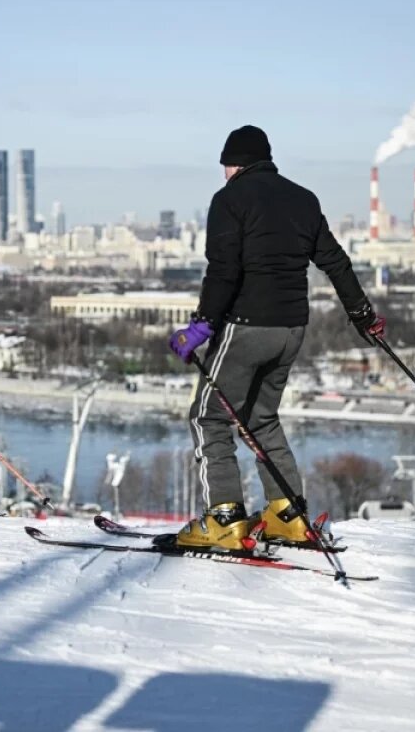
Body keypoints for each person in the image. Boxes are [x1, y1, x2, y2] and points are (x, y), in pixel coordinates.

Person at [168, 125, 385, 551]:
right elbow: (335, 262)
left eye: (225, 166)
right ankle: (288, 515)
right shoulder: (303, 199)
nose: (224, 174)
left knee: (209, 417)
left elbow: (223, 269)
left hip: (245, 326)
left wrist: (202, 325)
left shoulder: (229, 199)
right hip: (292, 329)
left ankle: (224, 518)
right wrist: (362, 315)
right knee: (260, 418)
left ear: (234, 164)